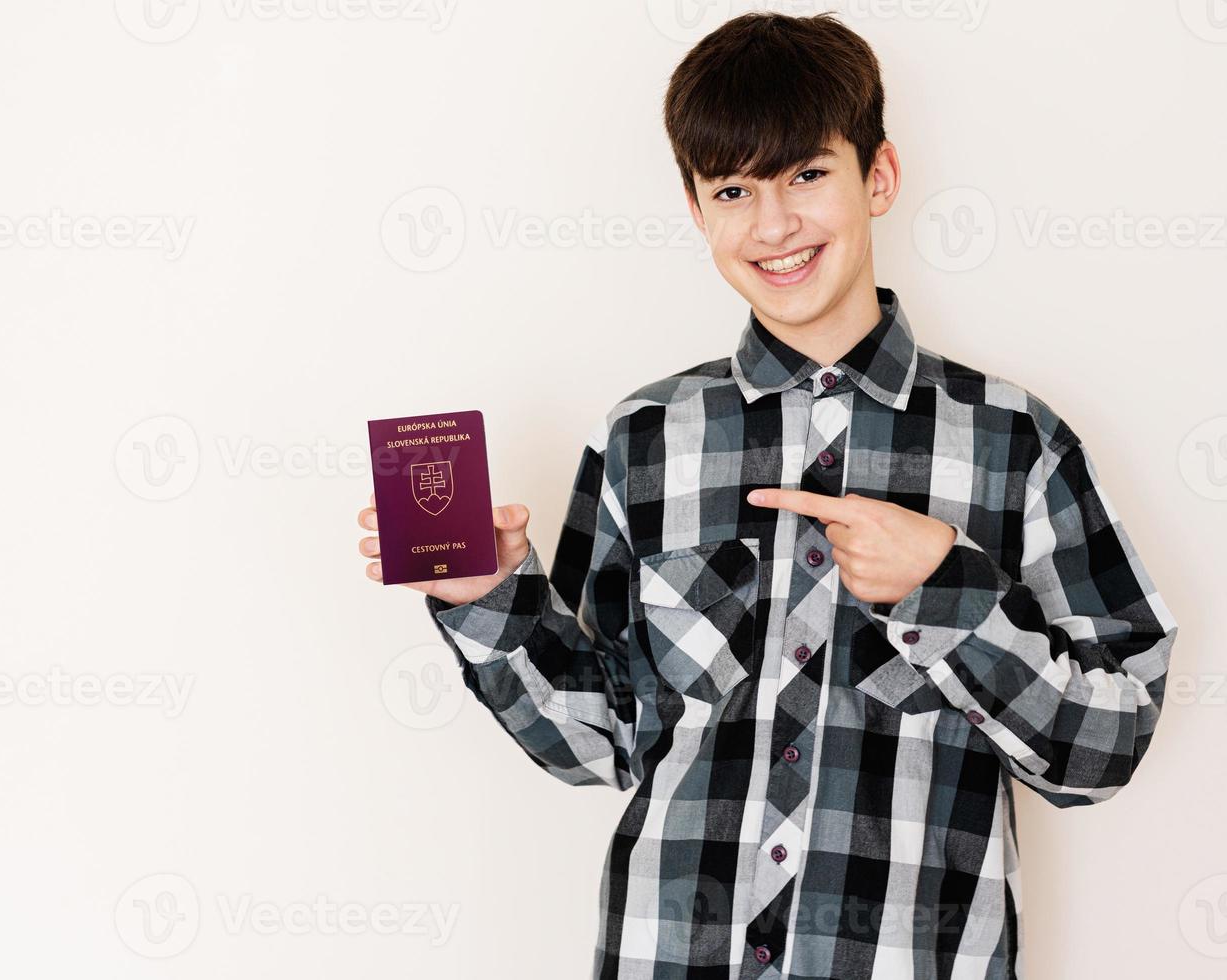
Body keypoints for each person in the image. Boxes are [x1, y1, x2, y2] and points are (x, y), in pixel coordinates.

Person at [357, 11, 1177, 978]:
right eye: (734, 188)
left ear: (879, 176)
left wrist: (945, 590)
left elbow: (1106, 748)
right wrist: (490, 601)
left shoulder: (1015, 442)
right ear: (697, 209)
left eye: (806, 175)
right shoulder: (643, 440)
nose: (773, 224)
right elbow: (600, 742)